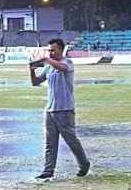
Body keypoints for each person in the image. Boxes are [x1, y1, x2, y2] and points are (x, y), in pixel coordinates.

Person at [28, 38, 91, 180]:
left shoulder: (67, 62)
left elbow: (63, 68)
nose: (50, 53)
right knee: (50, 142)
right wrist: (31, 70)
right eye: (48, 50)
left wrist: (45, 59)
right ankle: (48, 170)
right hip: (50, 110)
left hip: (65, 109)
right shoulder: (49, 66)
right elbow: (35, 82)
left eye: (52, 50)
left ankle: (84, 164)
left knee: (71, 140)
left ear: (61, 50)